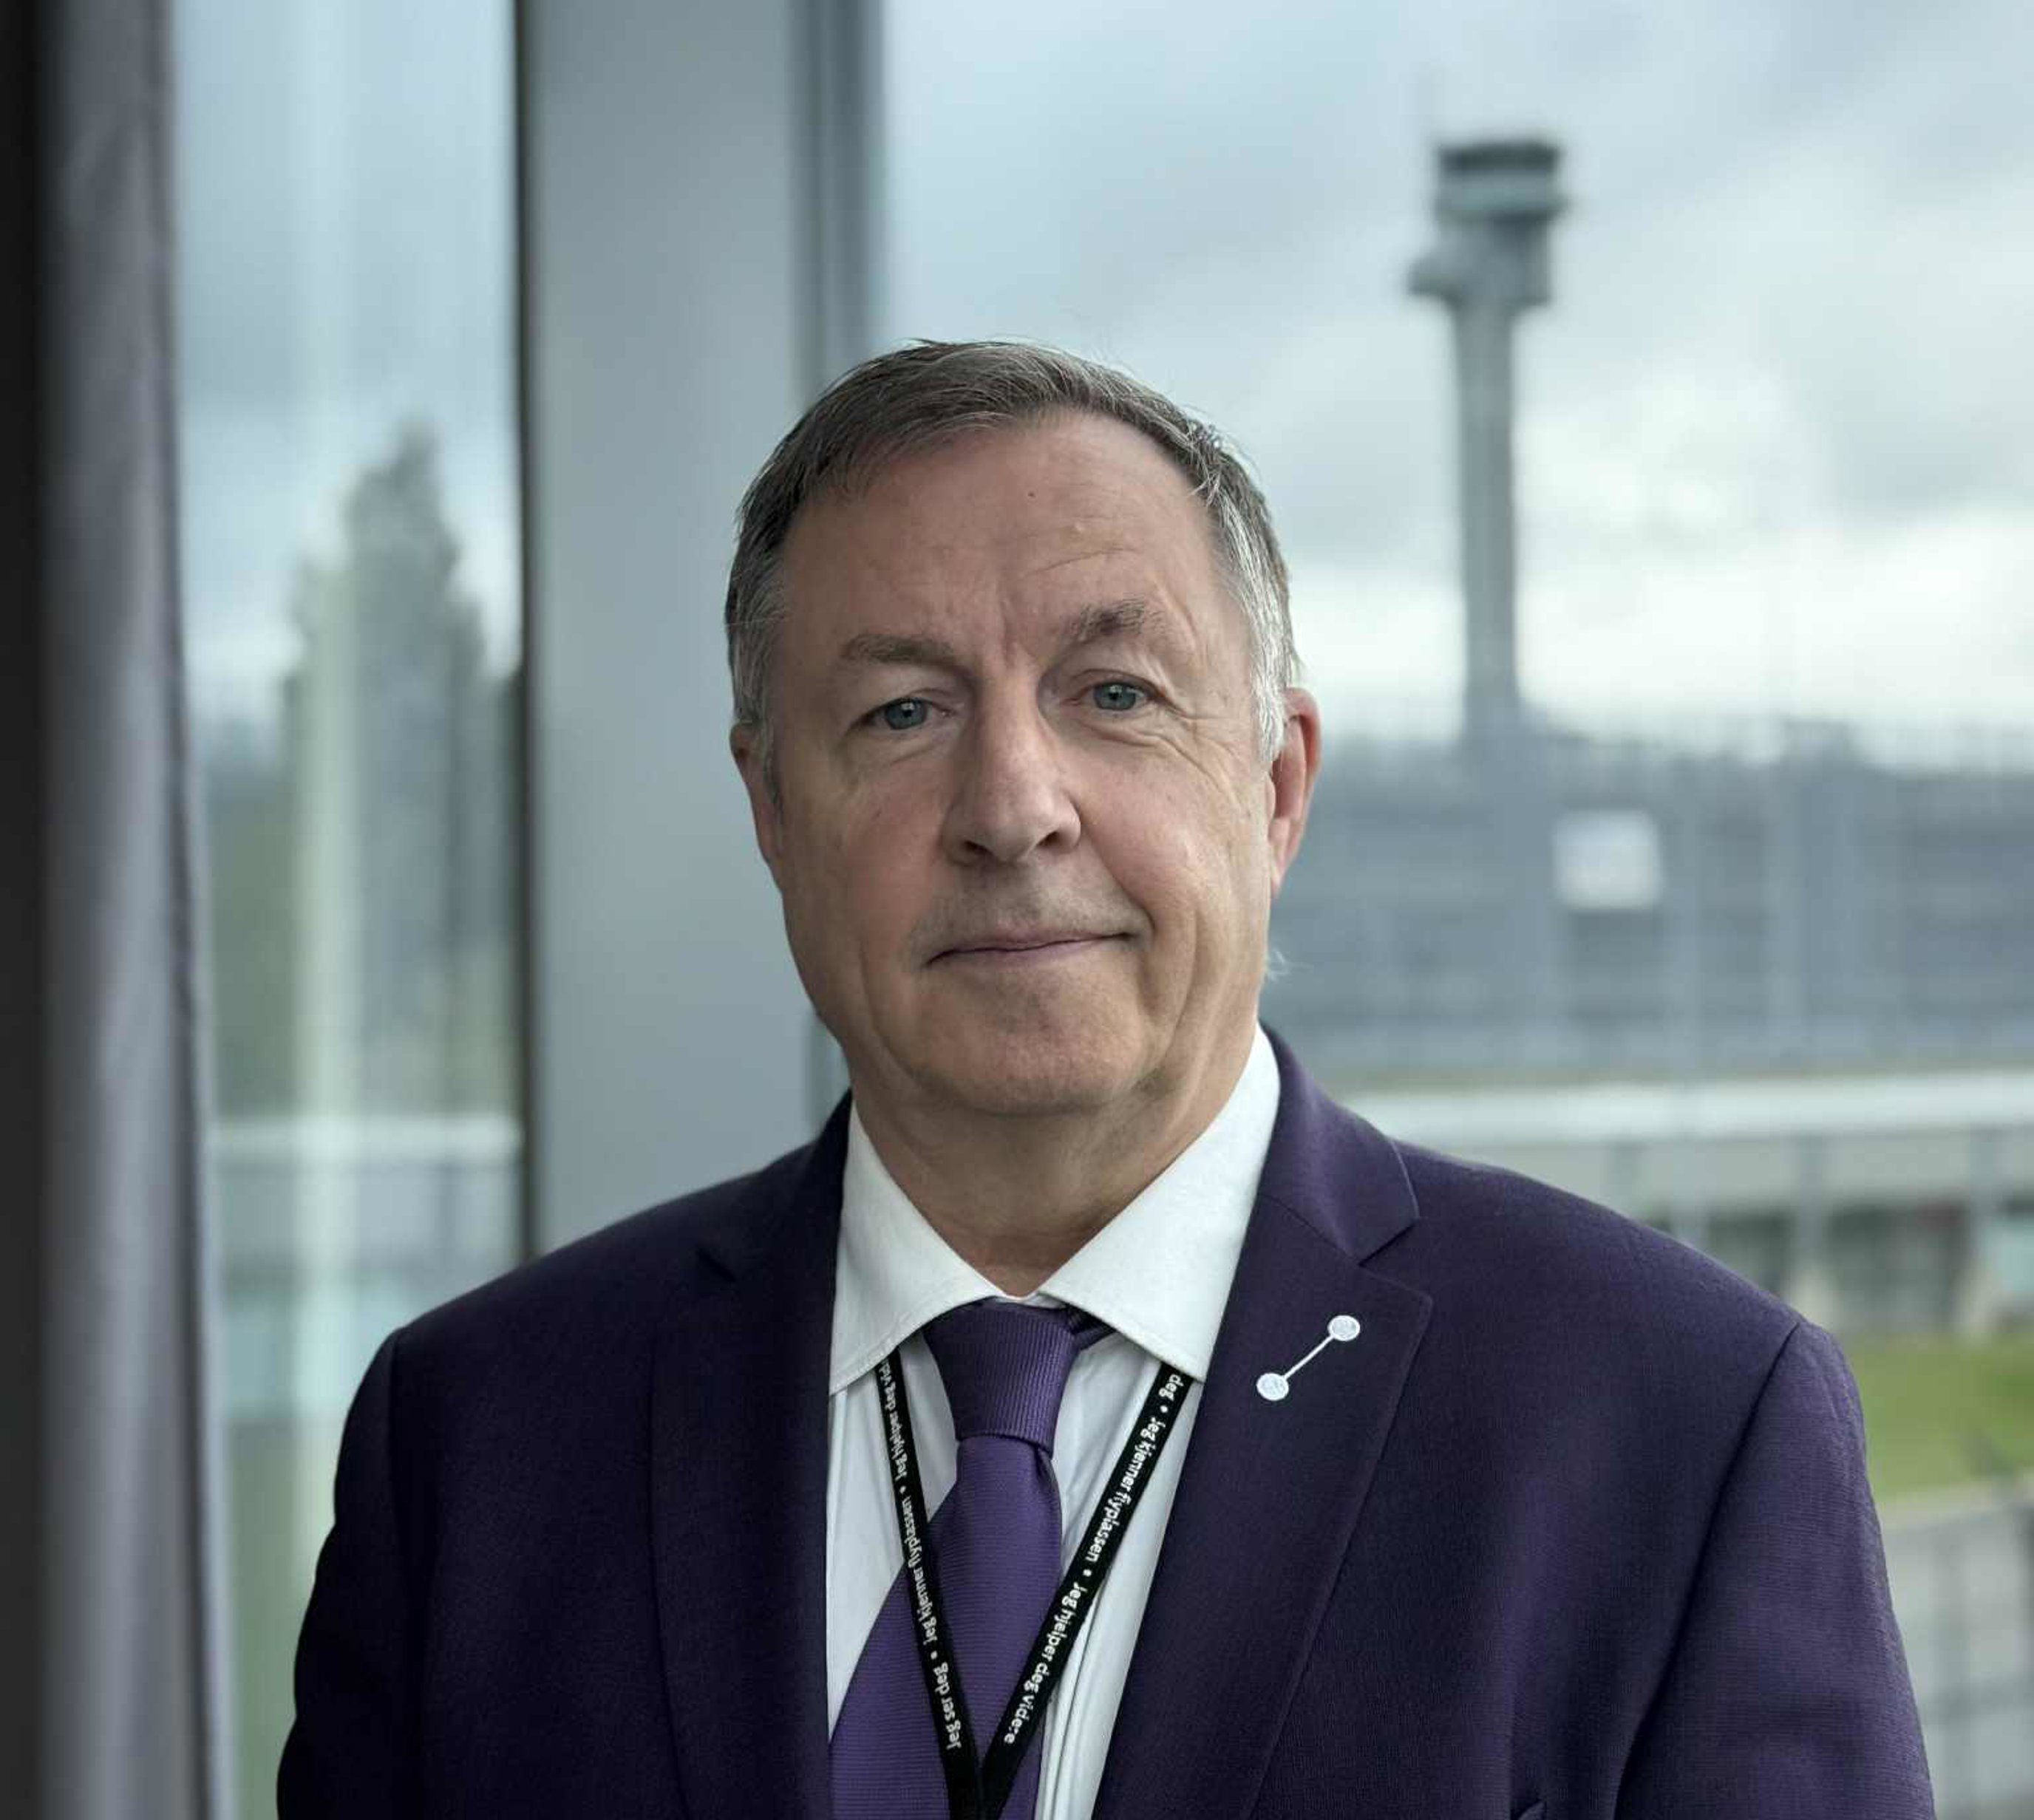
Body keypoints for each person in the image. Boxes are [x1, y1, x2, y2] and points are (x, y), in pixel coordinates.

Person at [280, 341, 1933, 1819]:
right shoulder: (477, 1442)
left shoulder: (1676, 1421)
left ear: (1274, 785)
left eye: (1114, 694)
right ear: (772, 810)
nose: (1013, 804)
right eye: (902, 708)